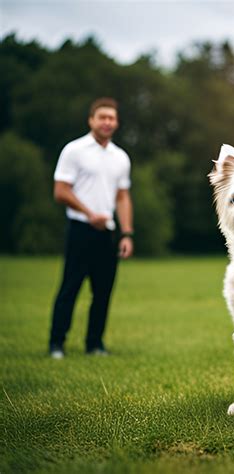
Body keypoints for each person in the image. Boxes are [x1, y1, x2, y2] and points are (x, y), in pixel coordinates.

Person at [48, 97, 134, 359]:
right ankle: (56, 344)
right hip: (80, 228)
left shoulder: (120, 157)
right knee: (70, 287)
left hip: (107, 232)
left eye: (111, 118)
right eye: (102, 117)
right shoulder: (74, 150)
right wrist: (88, 213)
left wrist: (127, 233)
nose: (107, 122)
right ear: (91, 120)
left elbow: (122, 197)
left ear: (116, 123)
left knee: (103, 291)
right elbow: (60, 191)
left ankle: (94, 344)